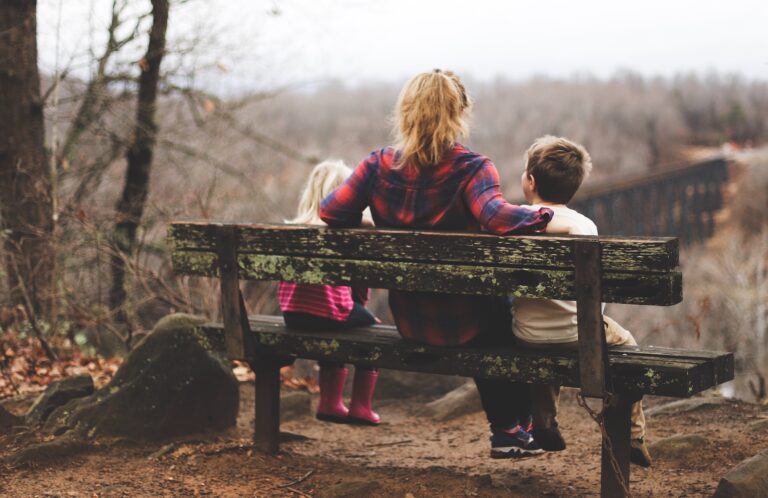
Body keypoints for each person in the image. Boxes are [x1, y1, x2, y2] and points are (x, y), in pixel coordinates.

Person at [320, 69, 554, 458]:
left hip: (412, 321)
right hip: (469, 323)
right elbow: (495, 217)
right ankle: (511, 428)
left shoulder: (376, 166)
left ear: (406, 112)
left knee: (493, 311)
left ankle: (514, 429)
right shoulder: (472, 168)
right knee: (504, 314)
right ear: (459, 113)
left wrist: (367, 220)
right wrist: (543, 215)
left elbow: (331, 212)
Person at [512, 135, 652, 467]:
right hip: (580, 335)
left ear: (530, 181)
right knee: (628, 345)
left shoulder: (513, 220)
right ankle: (633, 434)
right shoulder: (584, 226)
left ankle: (544, 421)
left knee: (544, 339)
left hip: (526, 335)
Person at [278, 160, 381, 425]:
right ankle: (360, 406)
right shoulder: (343, 232)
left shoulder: (294, 229)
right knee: (372, 330)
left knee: (337, 322)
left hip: (292, 315)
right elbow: (358, 285)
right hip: (329, 314)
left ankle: (330, 402)